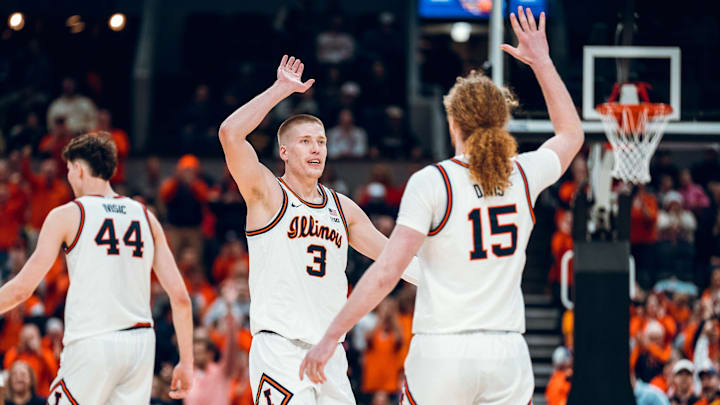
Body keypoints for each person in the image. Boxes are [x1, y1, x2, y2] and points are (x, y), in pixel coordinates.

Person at [300, 8, 584, 405]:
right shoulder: (522, 174)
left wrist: (331, 335)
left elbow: (386, 273)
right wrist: (542, 62)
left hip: (444, 351)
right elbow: (571, 134)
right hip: (507, 353)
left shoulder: (434, 181)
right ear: (501, 122)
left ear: (453, 123)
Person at [218, 54, 419, 404]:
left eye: (322, 141)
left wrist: (448, 281)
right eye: (306, 141)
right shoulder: (267, 194)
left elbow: (394, 260)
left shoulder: (343, 208)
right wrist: (280, 90)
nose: (317, 148)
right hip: (280, 349)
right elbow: (230, 134)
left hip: (329, 352)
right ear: (283, 150)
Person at [0, 134, 194, 403]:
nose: (68, 177)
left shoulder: (68, 214)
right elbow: (181, 298)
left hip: (93, 341)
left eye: (68, 170)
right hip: (139, 345)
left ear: (78, 169)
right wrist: (186, 362)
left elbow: (22, 288)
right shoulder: (147, 217)